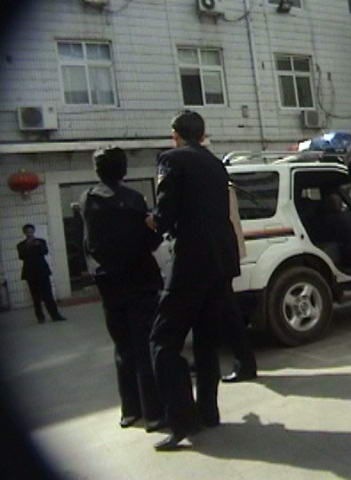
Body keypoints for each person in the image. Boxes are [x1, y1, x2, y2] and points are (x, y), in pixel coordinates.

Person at [146, 110, 241, 451]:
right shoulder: (215, 163)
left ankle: (181, 420)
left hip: (191, 261)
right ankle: (209, 412)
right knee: (206, 341)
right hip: (221, 262)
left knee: (162, 340)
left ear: (176, 135)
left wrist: (152, 221)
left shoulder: (171, 160)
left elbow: (165, 214)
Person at [79, 146, 165, 433]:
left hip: (109, 282)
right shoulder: (134, 199)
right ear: (123, 169)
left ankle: (130, 411)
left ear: (97, 170)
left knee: (122, 347)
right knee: (145, 348)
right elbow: (150, 241)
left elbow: (89, 243)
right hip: (139, 280)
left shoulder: (87, 199)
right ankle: (154, 414)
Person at [220, 182, 257, 383]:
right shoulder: (222, 186)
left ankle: (245, 363)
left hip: (217, 258)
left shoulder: (221, 189)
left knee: (229, 311)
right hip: (219, 256)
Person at [16, 224, 66, 323]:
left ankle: (55, 315)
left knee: (48, 295)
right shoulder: (21, 245)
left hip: (42, 272)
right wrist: (29, 246)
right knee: (35, 297)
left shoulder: (41, 241)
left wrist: (37, 245)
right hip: (30, 273)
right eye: (27, 232)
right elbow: (21, 256)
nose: (29, 233)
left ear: (34, 231)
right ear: (24, 233)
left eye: (31, 231)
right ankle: (40, 317)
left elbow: (45, 251)